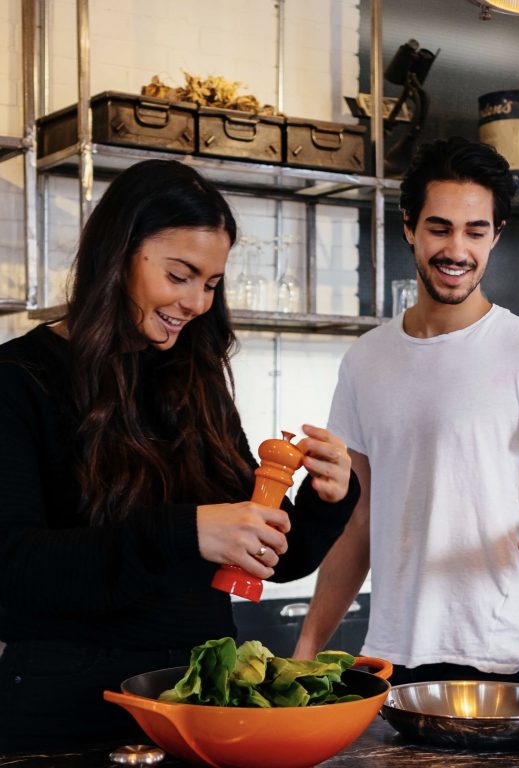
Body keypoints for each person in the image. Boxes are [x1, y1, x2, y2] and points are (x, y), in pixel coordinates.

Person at [0, 159, 359, 744]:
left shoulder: (197, 379)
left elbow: (271, 559)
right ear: (118, 254)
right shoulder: (18, 379)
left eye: (211, 283)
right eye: (180, 274)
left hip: (198, 698)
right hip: (63, 707)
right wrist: (185, 532)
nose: (195, 302)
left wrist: (330, 497)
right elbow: (14, 568)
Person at [294, 136, 519, 685]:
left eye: (476, 231)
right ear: (408, 228)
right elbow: (358, 522)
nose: (457, 250)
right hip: (391, 662)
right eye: (439, 228)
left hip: (507, 662)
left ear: (497, 235)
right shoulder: (366, 359)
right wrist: (305, 651)